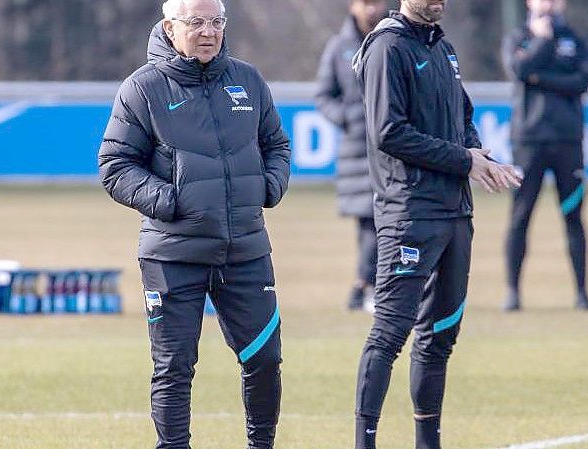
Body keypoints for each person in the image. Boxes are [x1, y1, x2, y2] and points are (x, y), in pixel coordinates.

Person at [98, 0, 291, 447]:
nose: (208, 32)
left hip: (244, 251)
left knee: (265, 360)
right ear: (170, 27)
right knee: (174, 367)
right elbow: (114, 165)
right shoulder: (142, 88)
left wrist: (268, 188)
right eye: (196, 22)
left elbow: (277, 145)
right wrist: (171, 201)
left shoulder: (248, 80)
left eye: (216, 21)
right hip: (173, 254)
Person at [351, 1, 522, 448]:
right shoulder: (388, 47)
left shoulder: (443, 47)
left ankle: (428, 441)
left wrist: (477, 155)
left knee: (440, 335)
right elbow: (387, 131)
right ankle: (363, 441)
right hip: (409, 212)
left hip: (455, 212)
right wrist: (462, 159)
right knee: (389, 332)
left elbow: (461, 118)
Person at [501, 0, 588, 312]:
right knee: (520, 215)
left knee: (574, 217)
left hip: (568, 141)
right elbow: (519, 70)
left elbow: (581, 81)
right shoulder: (518, 37)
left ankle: (582, 294)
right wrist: (541, 41)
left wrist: (541, 79)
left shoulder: (575, 39)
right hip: (529, 141)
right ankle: (512, 293)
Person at [316, 0, 387, 312]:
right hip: (355, 150)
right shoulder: (338, 46)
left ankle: (365, 286)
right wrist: (347, 117)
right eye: (365, 3)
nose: (371, 9)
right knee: (367, 223)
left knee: (380, 221)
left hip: (389, 147)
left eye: (376, 2)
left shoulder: (392, 39)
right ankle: (366, 287)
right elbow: (323, 95)